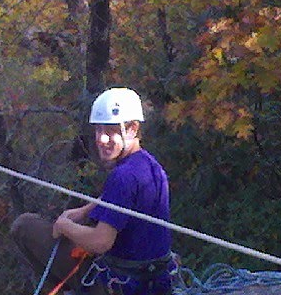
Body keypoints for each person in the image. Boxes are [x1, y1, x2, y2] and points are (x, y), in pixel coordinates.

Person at [11, 87, 173, 295]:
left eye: (110, 131)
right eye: (98, 130)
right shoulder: (150, 165)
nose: (101, 139)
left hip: (117, 284)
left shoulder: (122, 176)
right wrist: (85, 210)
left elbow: (100, 241)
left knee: (24, 226)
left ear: (132, 129)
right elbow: (125, 199)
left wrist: (65, 226)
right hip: (152, 280)